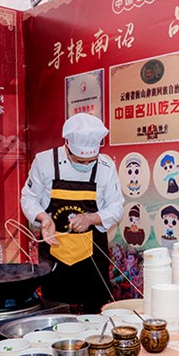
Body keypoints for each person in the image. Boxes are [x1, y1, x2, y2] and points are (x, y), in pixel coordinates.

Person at [20, 113, 123, 313]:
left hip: (92, 251)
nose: (86, 166)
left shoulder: (106, 166)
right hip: (55, 251)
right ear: (67, 145)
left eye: (90, 161)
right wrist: (44, 218)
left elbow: (116, 206)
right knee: (55, 309)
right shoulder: (44, 162)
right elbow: (28, 197)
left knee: (96, 310)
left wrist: (92, 218)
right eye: (80, 161)